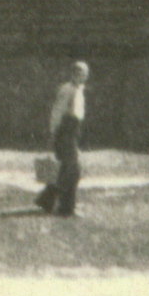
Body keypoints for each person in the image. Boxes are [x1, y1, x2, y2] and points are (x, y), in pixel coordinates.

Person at [36, 60, 89, 218]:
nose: (83, 76)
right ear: (73, 73)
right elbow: (57, 112)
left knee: (68, 170)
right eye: (79, 73)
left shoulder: (79, 89)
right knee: (72, 169)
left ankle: (47, 200)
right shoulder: (67, 89)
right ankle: (66, 208)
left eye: (85, 73)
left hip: (73, 130)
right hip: (65, 131)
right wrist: (54, 132)